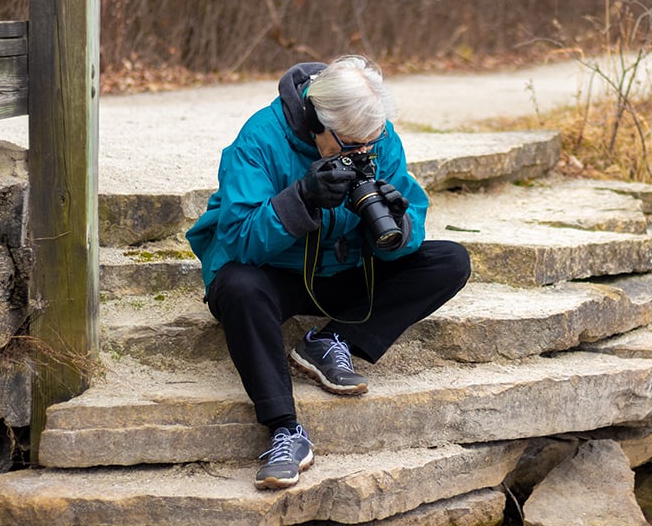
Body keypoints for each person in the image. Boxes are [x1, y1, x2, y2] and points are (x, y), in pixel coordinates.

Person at [186, 55, 470, 490]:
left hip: (344, 270)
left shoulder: (377, 137)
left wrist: (397, 225)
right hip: (274, 275)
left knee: (450, 260)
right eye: (351, 145)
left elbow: (410, 216)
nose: (362, 153)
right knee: (238, 287)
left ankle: (331, 340)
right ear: (318, 121)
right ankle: (285, 430)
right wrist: (301, 198)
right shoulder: (260, 138)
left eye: (369, 144)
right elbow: (239, 237)